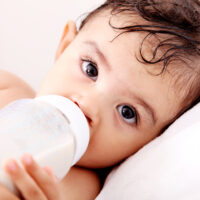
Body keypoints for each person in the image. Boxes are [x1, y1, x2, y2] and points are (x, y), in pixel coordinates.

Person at [0, 0, 199, 199]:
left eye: (127, 112)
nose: (88, 105)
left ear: (150, 143)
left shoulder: (76, 185)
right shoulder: (7, 87)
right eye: (90, 69)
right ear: (65, 47)